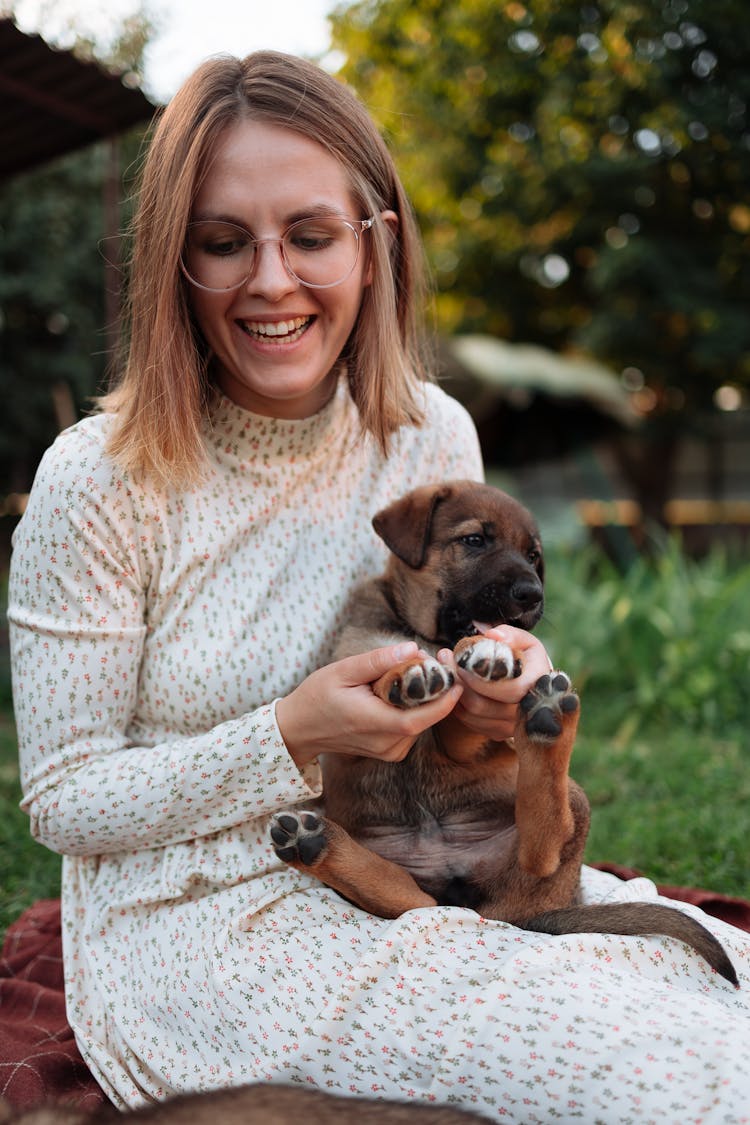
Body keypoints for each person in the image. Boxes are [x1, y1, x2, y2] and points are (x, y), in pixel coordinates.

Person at [7, 50, 750, 1123]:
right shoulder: (103, 478)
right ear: (175, 262)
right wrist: (291, 735)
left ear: (375, 243)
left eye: (310, 236)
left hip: (454, 865)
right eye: (224, 243)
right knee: (679, 1077)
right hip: (206, 925)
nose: (271, 280)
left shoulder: (431, 435)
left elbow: (467, 676)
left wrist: (498, 698)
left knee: (708, 991)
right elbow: (64, 799)